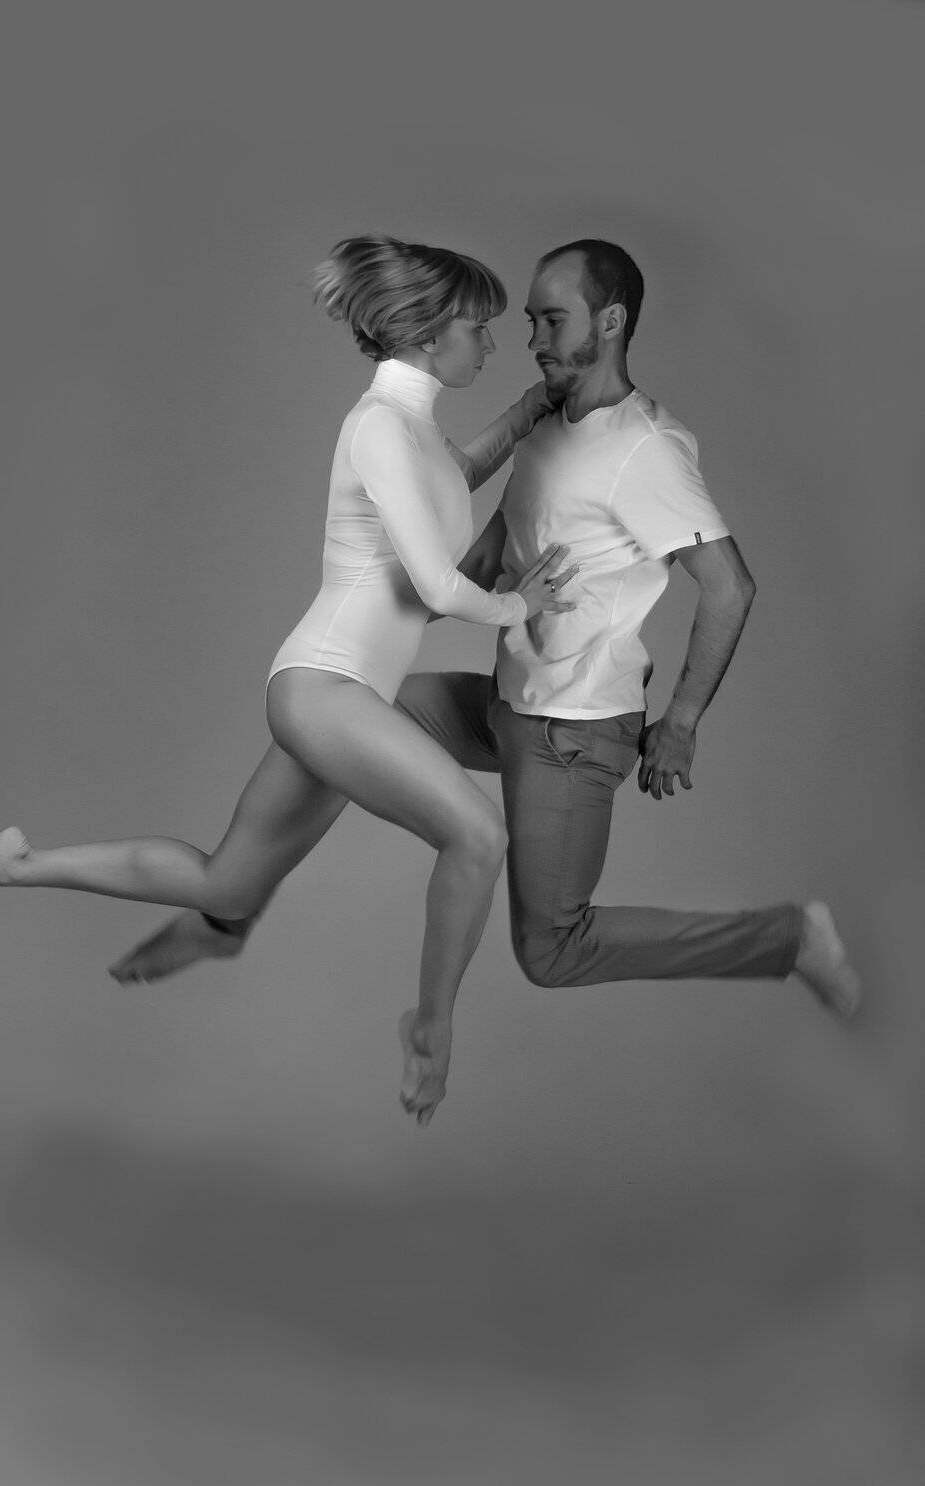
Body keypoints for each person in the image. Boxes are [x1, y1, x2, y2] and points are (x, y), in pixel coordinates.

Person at [108, 238, 860, 1046]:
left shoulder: (646, 449)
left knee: (552, 951)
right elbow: (481, 560)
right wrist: (376, 609)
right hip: (505, 704)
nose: (531, 341)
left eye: (552, 320)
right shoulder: (549, 432)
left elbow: (730, 586)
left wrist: (679, 722)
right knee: (341, 721)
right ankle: (224, 912)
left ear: (610, 323)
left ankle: (790, 939)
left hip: (571, 732)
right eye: (529, 320)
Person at [0, 234, 579, 1127]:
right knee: (478, 836)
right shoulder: (379, 429)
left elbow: (455, 477)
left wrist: (528, 413)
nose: (493, 344)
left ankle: (16, 868)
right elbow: (434, 584)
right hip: (324, 690)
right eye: (478, 328)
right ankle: (430, 1030)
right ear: (427, 335)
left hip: (344, 695)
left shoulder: (413, 430)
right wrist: (520, 606)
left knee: (226, 885)